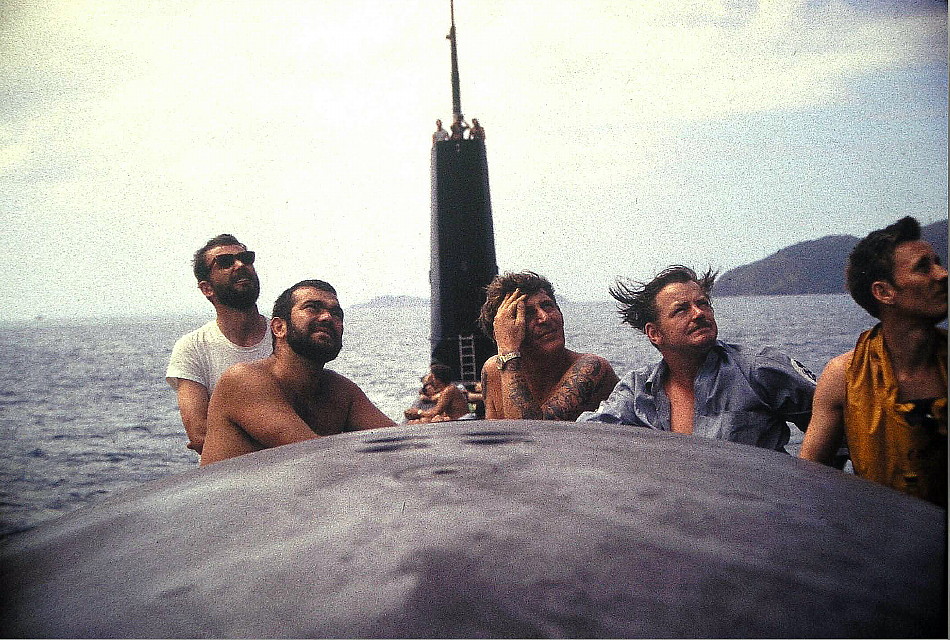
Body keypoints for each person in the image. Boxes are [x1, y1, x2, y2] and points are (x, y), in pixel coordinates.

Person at [578, 266, 817, 453]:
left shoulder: (758, 369)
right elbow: (587, 437)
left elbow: (840, 425)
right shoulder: (637, 390)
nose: (699, 313)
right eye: (681, 309)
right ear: (654, 333)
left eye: (703, 304)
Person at [800, 217, 947, 506]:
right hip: (886, 538)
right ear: (884, 292)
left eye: (938, 262)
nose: (943, 274)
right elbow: (809, 479)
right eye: (923, 267)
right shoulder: (843, 376)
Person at [200, 280, 395, 465]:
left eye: (336, 314)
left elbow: (400, 441)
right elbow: (316, 456)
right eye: (312, 307)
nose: (328, 317)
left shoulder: (340, 390)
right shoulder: (244, 381)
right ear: (279, 327)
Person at [166, 234, 272, 455]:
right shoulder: (192, 348)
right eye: (225, 262)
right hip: (228, 481)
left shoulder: (285, 336)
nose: (240, 264)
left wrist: (227, 437)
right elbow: (200, 434)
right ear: (207, 289)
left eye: (246, 258)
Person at [478, 272, 619, 421]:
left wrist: (509, 353)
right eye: (528, 313)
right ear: (502, 331)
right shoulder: (493, 370)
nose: (545, 317)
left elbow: (533, 434)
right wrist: (507, 351)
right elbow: (497, 438)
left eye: (548, 306)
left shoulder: (592, 368)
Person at [405, 363, 473, 423]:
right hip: (458, 420)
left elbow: (436, 412)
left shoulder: (449, 390)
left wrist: (418, 412)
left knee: (423, 421)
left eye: (433, 377)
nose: (431, 380)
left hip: (462, 420)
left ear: (438, 379)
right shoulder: (446, 390)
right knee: (421, 420)